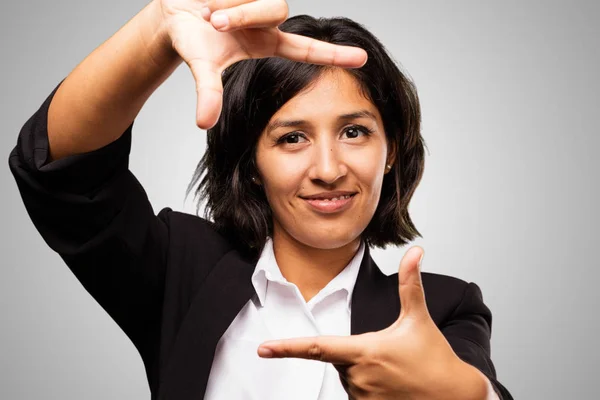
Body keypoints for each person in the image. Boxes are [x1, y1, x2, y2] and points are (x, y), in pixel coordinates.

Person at [8, 0, 513, 399]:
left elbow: (470, 382)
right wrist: (154, 34)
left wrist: (462, 394)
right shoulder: (182, 269)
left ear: (391, 152)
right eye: (292, 138)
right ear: (251, 164)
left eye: (355, 132)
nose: (329, 169)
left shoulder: (443, 308)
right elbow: (59, 171)